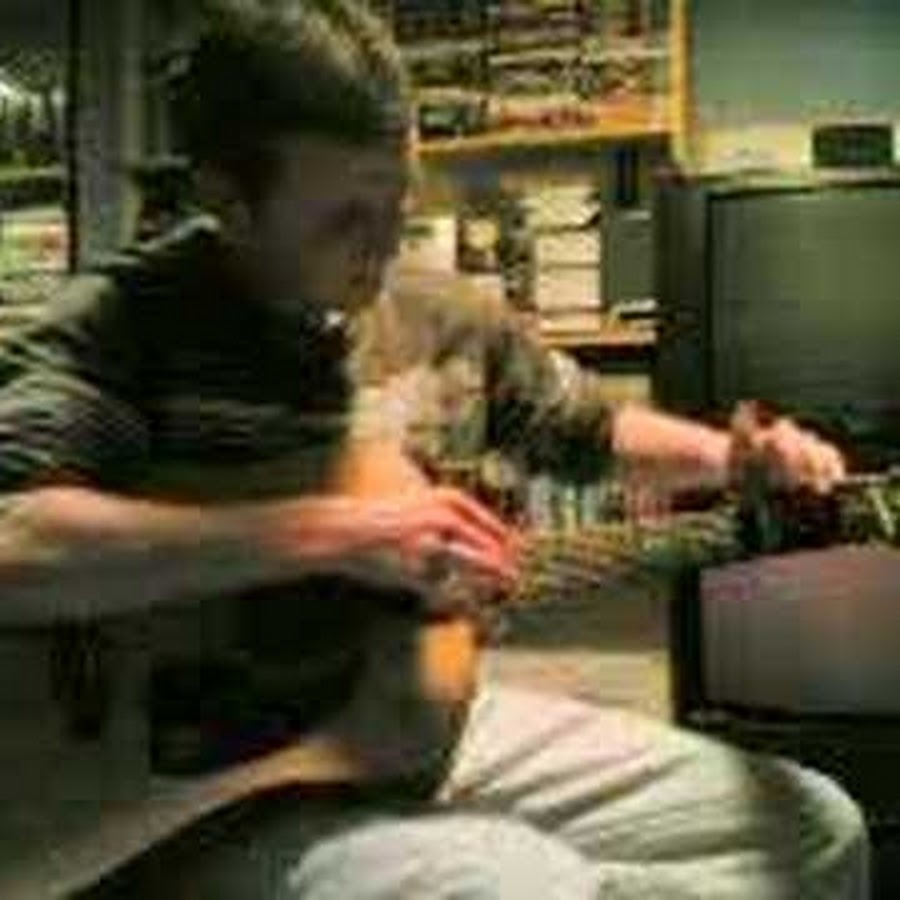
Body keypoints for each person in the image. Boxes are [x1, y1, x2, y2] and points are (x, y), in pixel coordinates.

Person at [0, 2, 864, 897]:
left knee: (807, 831)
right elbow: (14, 537)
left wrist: (734, 460)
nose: (384, 244)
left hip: (400, 732)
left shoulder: (435, 312)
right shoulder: (122, 325)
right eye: (344, 218)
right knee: (527, 887)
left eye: (400, 202)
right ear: (227, 199)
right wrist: (328, 535)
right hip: (182, 797)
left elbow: (586, 429)